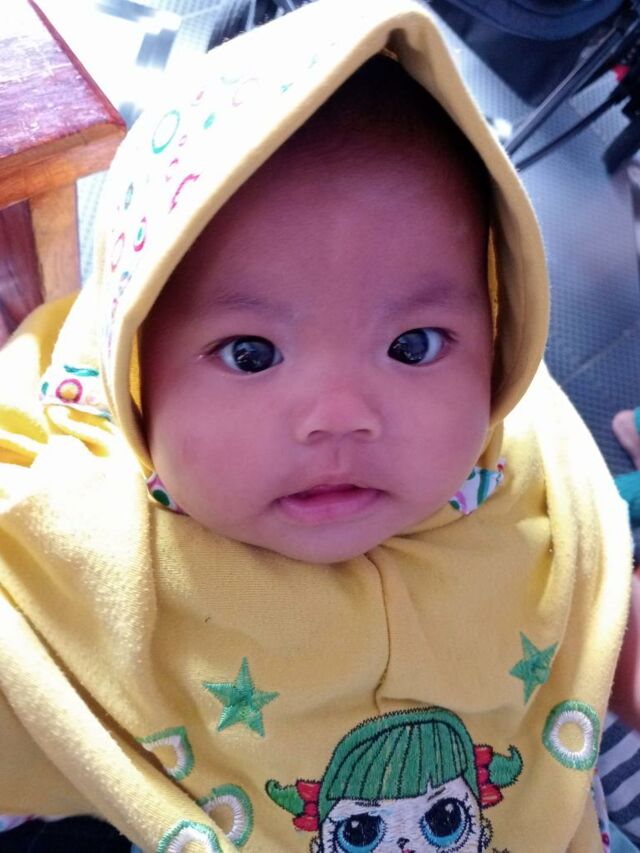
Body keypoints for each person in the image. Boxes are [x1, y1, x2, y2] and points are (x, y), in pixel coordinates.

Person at [0, 0, 635, 850]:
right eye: (251, 353)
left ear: (499, 333)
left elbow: (597, 635)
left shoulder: (532, 490)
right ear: (140, 371)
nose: (340, 418)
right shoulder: (85, 552)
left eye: (412, 345)